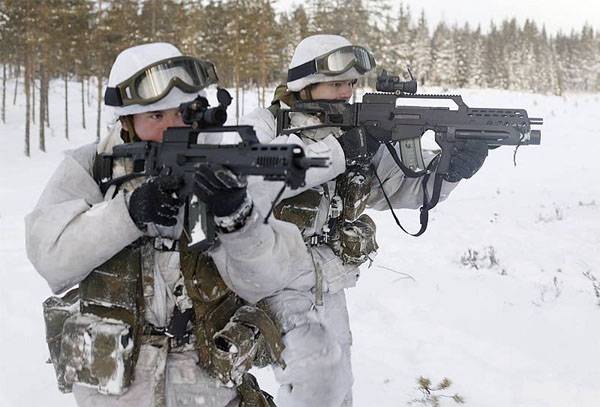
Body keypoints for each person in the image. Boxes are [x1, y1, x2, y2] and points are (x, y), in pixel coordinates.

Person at [25, 42, 315, 407]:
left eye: (181, 114)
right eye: (156, 117)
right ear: (127, 121)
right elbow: (49, 256)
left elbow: (268, 280)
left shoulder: (223, 166)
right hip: (115, 387)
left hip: (207, 382)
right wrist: (127, 214)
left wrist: (238, 219)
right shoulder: (93, 168)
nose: (171, 128)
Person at [219, 34, 489, 407]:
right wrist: (338, 150)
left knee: (334, 388)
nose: (346, 92)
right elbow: (246, 178)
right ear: (305, 86)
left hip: (326, 283)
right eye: (336, 84)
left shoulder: (356, 130)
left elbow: (401, 189)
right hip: (269, 280)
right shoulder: (266, 125)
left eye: (350, 83)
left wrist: (450, 170)